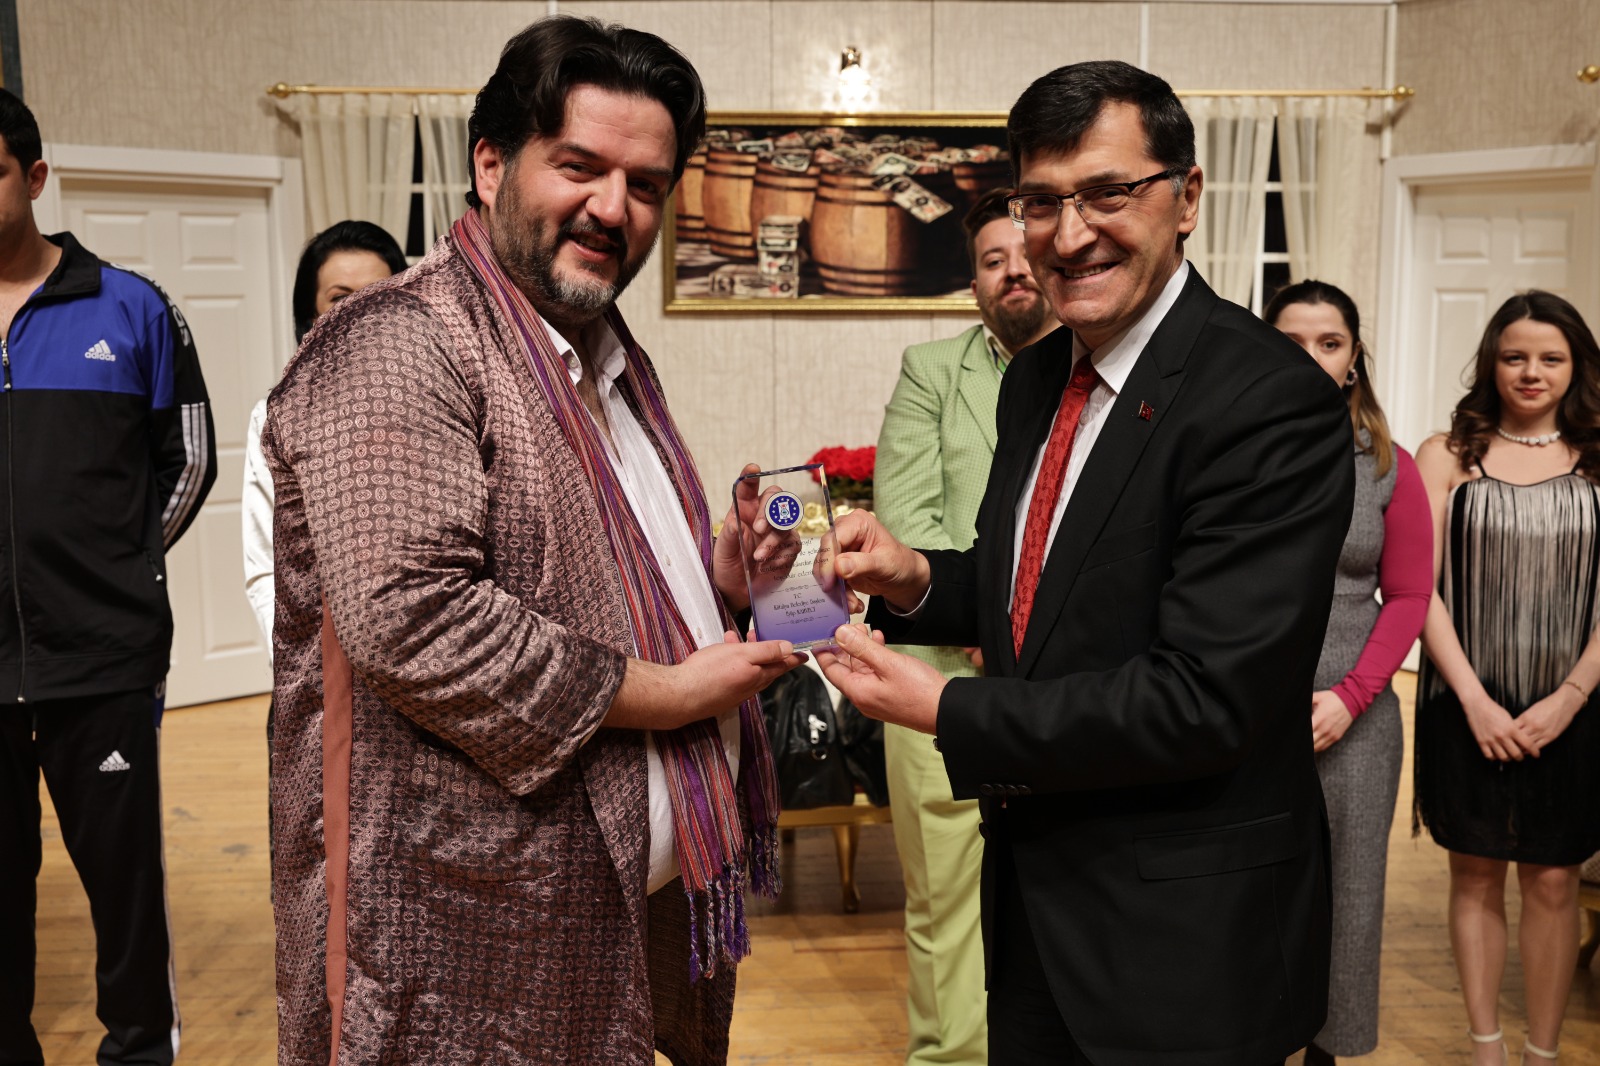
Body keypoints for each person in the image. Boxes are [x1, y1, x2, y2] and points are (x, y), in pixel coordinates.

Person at [261, 17, 803, 1064]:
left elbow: (593, 568)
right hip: (459, 935)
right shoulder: (399, 342)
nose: (614, 207)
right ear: (491, 164)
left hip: (597, 918)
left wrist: (721, 581)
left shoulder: (600, 352)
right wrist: (676, 692)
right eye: (580, 167)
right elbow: (416, 620)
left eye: (645, 185)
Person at [812, 60, 1353, 1066]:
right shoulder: (1036, 380)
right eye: (1041, 201)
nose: (1068, 235)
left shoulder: (1267, 402)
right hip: (1034, 914)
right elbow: (1041, 594)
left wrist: (949, 709)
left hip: (1182, 940)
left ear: (1187, 197)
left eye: (1107, 193)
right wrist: (914, 578)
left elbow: (1203, 698)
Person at [0, 89, 215, 1065]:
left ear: (34, 177)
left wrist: (122, 567)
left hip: (102, 658)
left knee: (124, 889)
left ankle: (138, 1052)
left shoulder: (131, 306)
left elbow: (191, 458)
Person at [873, 185, 1053, 1066]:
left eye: (1024, 253)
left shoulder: (1109, 376)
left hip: (1073, 689)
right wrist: (989, 623)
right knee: (947, 906)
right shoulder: (933, 372)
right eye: (992, 261)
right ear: (974, 282)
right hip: (943, 679)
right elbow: (906, 521)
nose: (1014, 271)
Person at [1412, 290, 1600, 1066]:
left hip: (1576, 704)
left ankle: (1542, 1054)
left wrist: (1570, 699)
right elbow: (1417, 589)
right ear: (1491, 362)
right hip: (1466, 703)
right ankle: (1486, 1049)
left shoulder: (1599, 457)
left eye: (1550, 358)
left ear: (1577, 366)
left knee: (1554, 881)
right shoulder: (1446, 454)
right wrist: (1475, 702)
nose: (1531, 371)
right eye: (1514, 356)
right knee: (1476, 873)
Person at [1264, 280, 1432, 1065]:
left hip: (1355, 721)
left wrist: (1351, 697)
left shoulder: (1388, 465)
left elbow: (1409, 596)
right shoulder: (1226, 453)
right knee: (1252, 895)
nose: (1310, 358)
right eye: (1291, 342)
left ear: (1353, 358)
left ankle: (1327, 1054)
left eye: (1328, 343)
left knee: (1349, 903)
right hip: (1244, 713)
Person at [242, 220, 408, 653]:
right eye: (340, 298)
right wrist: (298, 658)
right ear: (311, 316)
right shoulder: (278, 416)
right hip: (323, 659)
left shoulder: (447, 403)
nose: (361, 313)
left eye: (379, 294)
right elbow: (266, 565)